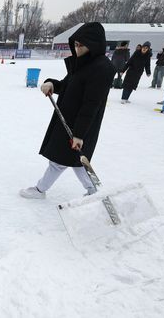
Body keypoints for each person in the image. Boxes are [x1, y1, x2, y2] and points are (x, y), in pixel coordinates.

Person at [19, 22, 115, 199]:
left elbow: (91, 104)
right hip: (67, 120)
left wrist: (79, 134)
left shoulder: (101, 68)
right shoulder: (82, 64)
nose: (77, 49)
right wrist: (51, 84)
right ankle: (94, 191)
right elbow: (66, 86)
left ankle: (40, 190)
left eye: (81, 46)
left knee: (59, 161)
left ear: (94, 44)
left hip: (79, 124)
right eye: (76, 45)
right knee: (76, 160)